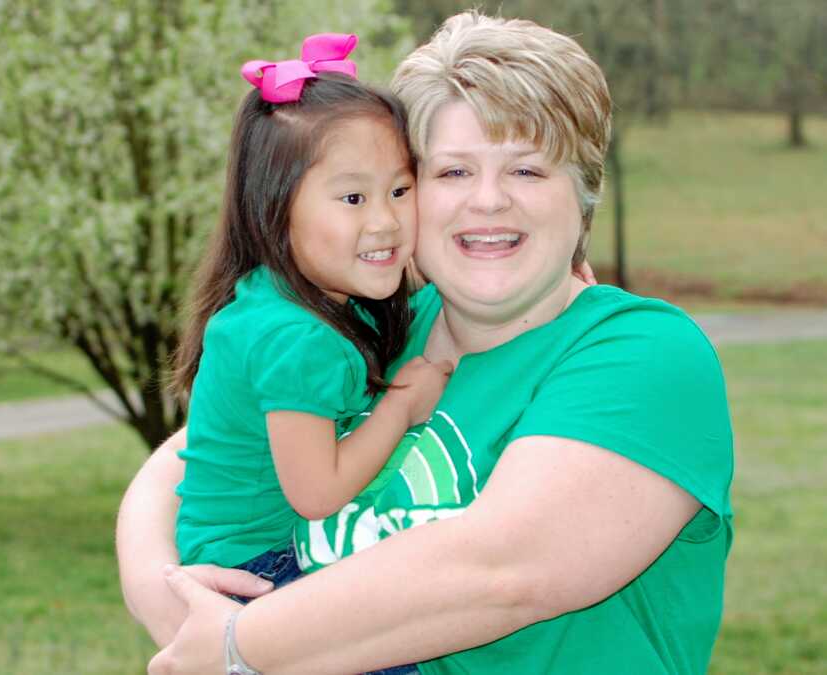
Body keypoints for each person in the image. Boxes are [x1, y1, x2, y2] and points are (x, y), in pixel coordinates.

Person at [117, 11, 733, 675]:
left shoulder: (642, 354)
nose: (489, 201)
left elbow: (501, 569)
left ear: (582, 194)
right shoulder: (383, 323)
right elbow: (190, 454)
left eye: (527, 171)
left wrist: (239, 643)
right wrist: (174, 602)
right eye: (452, 173)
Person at [169, 32, 452, 600]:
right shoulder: (295, 337)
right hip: (258, 570)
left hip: (272, 554)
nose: (385, 222)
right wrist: (400, 405)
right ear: (276, 212)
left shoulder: (292, 297)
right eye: (353, 199)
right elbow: (318, 493)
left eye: (399, 190)